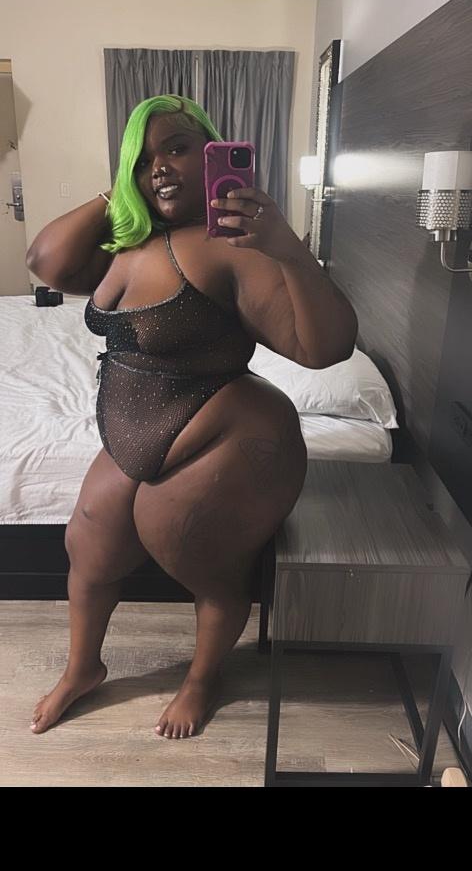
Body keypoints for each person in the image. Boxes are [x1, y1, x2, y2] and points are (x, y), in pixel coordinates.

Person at [26, 94, 358, 740]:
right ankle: (82, 669)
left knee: (199, 558)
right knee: (88, 550)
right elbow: (45, 261)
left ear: (212, 154)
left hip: (220, 428)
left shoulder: (231, 246)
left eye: (177, 148)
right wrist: (123, 187)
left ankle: (203, 681)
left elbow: (322, 349)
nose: (159, 167)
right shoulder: (130, 241)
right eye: (143, 158)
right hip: (134, 431)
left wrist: (288, 250)